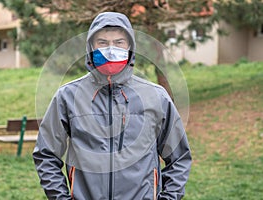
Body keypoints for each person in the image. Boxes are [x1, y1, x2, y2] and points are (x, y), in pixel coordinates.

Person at [33, 12, 192, 200]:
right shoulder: (67, 96)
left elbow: (179, 157)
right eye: (102, 42)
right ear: (91, 47)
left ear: (130, 47)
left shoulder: (156, 97)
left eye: (118, 43)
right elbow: (46, 155)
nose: (110, 49)